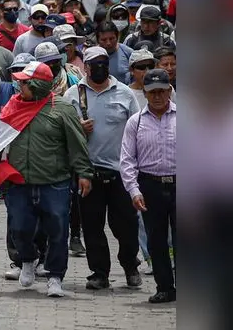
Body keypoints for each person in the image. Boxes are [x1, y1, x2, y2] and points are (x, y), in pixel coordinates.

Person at [0, 61, 93, 298]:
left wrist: (83, 173)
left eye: (23, 82)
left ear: (38, 85)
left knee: (58, 231)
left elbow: (77, 144)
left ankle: (55, 277)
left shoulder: (62, 109)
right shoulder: (13, 107)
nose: (18, 86)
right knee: (19, 229)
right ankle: (28, 260)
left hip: (55, 183)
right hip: (19, 183)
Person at [63, 46, 142, 290]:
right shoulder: (72, 95)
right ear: (85, 66)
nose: (99, 68)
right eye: (94, 63)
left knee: (126, 226)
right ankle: (99, 272)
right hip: (89, 172)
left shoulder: (125, 93)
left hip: (121, 172)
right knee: (92, 226)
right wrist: (78, 128)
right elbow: (64, 133)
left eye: (103, 63)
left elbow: (138, 130)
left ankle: (130, 266)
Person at [119, 68, 176, 304]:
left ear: (170, 91)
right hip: (150, 185)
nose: (158, 96)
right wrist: (134, 190)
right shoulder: (136, 122)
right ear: (145, 93)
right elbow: (127, 159)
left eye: (162, 91)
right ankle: (165, 287)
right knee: (156, 238)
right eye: (152, 92)